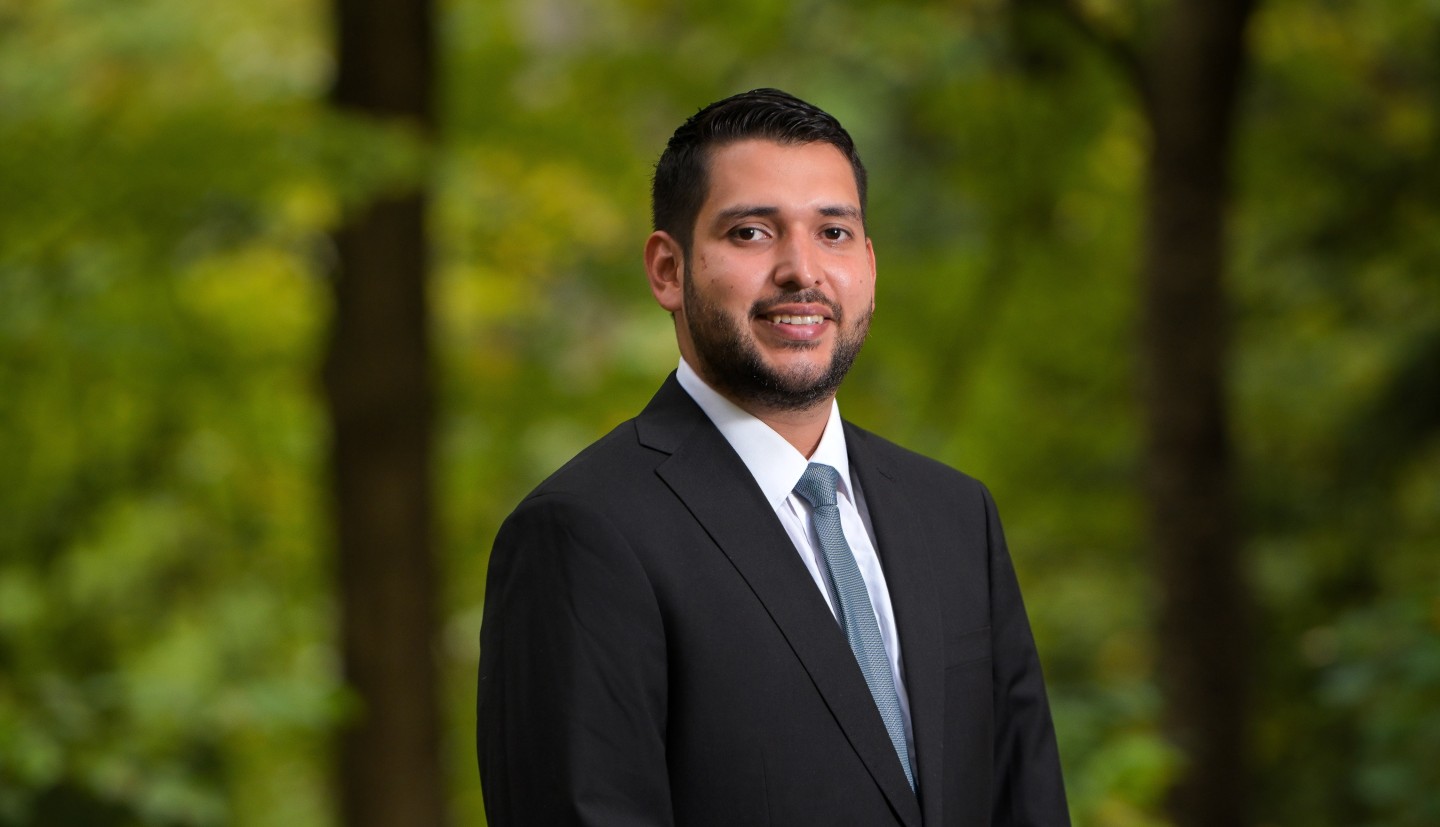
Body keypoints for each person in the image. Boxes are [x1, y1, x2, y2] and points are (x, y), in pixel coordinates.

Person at [478, 88, 1069, 826]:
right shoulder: (582, 532)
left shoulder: (955, 515)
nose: (802, 270)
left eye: (833, 233)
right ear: (668, 269)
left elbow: (1027, 800)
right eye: (753, 232)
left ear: (870, 268)